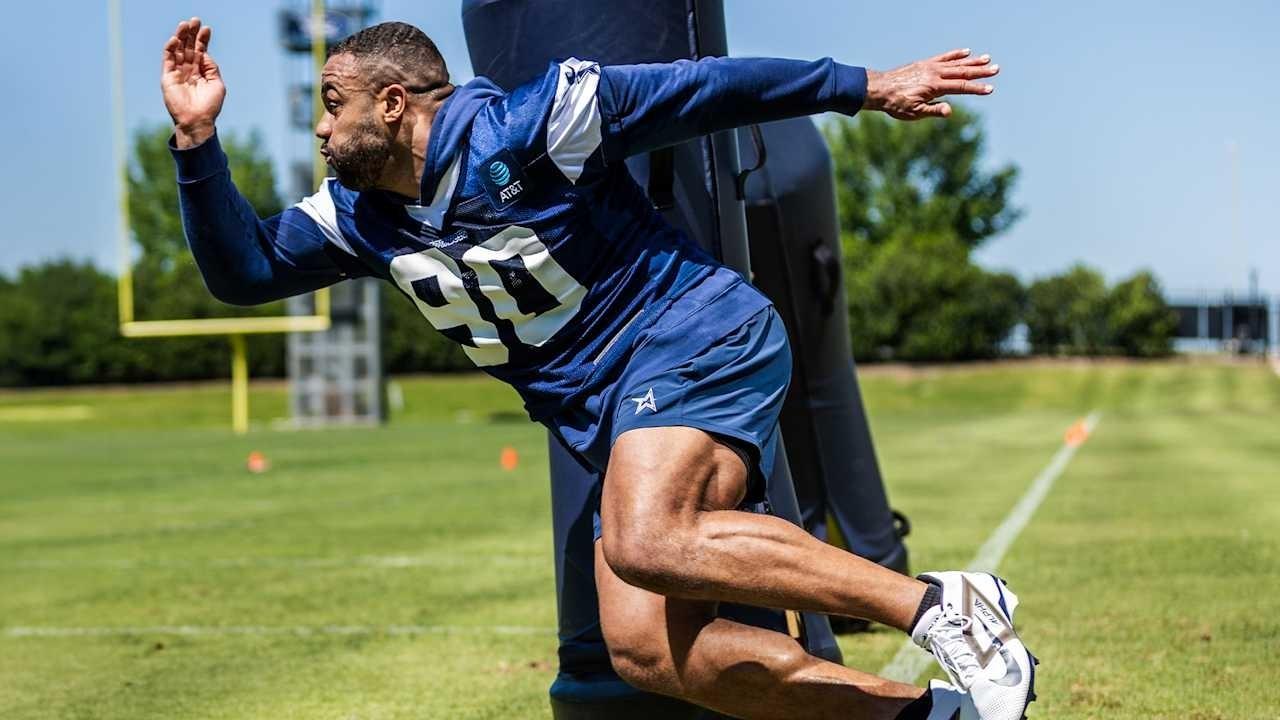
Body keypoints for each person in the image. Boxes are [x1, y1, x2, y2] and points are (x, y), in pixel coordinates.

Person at [161, 17, 1029, 720]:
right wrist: (196, 138)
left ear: (392, 105)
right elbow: (245, 271)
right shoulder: (360, 216)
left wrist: (864, 86)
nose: (319, 127)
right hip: (611, 413)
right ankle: (929, 716)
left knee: (649, 538)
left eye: (332, 103)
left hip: (694, 335)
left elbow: (703, 88)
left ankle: (939, 608)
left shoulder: (531, 126)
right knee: (649, 654)